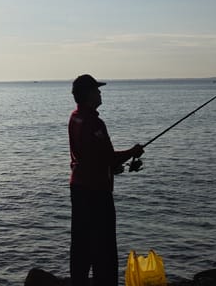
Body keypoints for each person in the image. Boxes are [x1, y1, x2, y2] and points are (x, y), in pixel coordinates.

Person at [68, 74, 144, 286]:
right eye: (97, 90)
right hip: (96, 192)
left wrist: (109, 168)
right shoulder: (94, 122)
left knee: (81, 244)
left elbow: (91, 156)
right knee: (104, 247)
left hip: (79, 187)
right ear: (88, 95)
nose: (100, 93)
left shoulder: (75, 117)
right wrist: (133, 151)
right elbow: (108, 157)